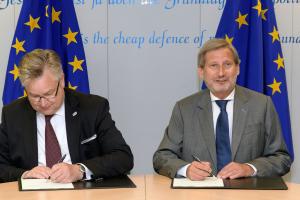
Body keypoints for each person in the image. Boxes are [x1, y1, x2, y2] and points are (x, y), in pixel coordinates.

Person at [153, 38, 292, 180]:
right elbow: (162, 157)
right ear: (201, 72)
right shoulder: (184, 109)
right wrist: (186, 169)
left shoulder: (262, 105)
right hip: (199, 194)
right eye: (213, 65)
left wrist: (248, 168)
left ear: (237, 68)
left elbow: (282, 158)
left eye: (227, 64)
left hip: (247, 193)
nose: (221, 73)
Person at [0, 49, 133, 183]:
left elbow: (123, 157)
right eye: (35, 96)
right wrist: (25, 174)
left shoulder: (92, 108)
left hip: (83, 193)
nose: (43, 103)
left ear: (62, 80)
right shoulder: (12, 114)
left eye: (49, 94)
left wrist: (79, 170)